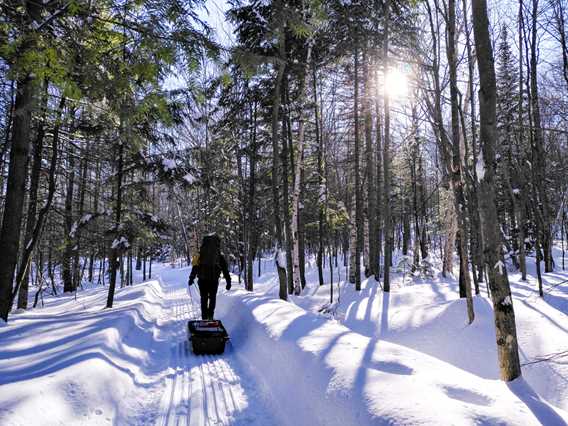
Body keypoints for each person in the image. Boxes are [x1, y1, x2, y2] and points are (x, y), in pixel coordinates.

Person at [188, 234, 231, 320]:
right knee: (212, 298)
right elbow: (225, 269)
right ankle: (210, 317)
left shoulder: (200, 254)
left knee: (204, 299)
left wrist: (191, 278)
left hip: (202, 280)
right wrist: (228, 281)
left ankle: (204, 318)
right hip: (214, 280)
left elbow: (195, 267)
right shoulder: (219, 255)